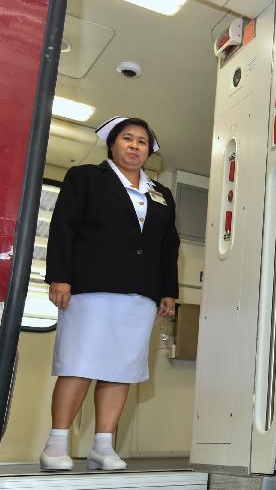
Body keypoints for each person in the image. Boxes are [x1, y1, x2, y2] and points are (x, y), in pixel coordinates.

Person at [40, 116, 180, 471]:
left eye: (142, 142)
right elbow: (64, 227)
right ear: (113, 144)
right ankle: (56, 443)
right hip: (91, 287)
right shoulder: (86, 177)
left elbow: (168, 246)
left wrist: (168, 291)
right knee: (78, 363)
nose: (134, 146)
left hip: (141, 294)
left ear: (149, 151)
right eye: (127, 138)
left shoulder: (161, 194)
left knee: (121, 369)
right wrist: (60, 277)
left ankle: (103, 445)